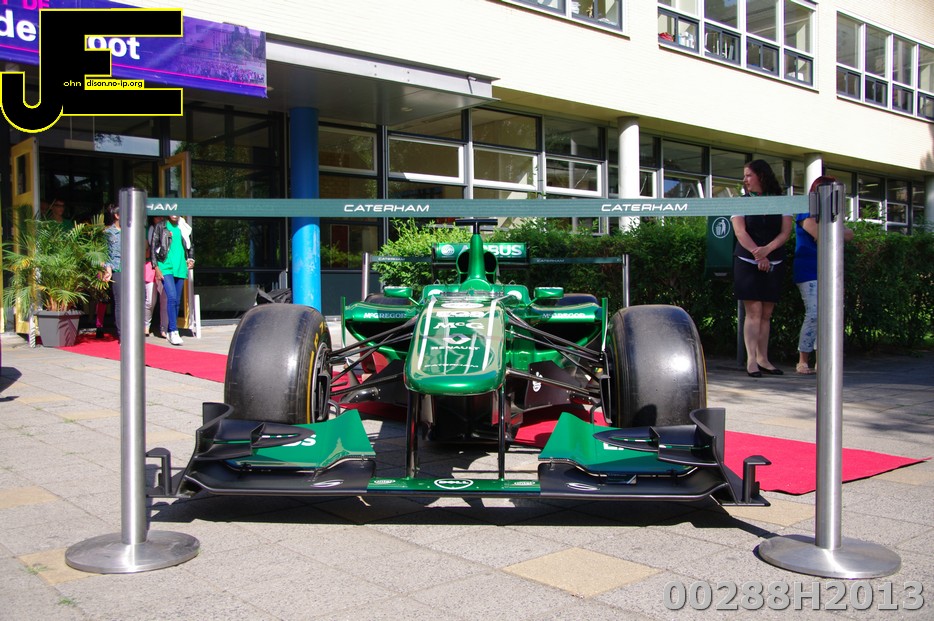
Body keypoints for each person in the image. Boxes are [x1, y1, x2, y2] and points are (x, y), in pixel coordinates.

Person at [731, 160, 793, 378]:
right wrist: (758, 254)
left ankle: (763, 358)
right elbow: (740, 232)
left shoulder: (781, 201)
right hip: (747, 261)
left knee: (766, 313)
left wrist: (767, 250)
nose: (745, 180)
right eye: (744, 175)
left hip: (774, 260)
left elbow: (785, 232)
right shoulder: (741, 202)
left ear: (761, 175)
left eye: (749, 175)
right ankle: (751, 361)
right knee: (754, 311)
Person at [793, 176, 854, 374]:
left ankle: (823, 361)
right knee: (814, 313)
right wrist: (834, 231)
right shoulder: (806, 210)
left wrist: (832, 231)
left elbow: (849, 234)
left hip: (830, 270)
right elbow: (821, 234)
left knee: (829, 314)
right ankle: (803, 360)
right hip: (809, 270)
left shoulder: (831, 214)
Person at [151, 214, 194, 346]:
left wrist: (191, 259)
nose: (174, 214)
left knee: (177, 301)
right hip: (165, 265)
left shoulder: (184, 227)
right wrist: (156, 267)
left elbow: (190, 245)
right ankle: (174, 331)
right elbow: (153, 247)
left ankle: (171, 330)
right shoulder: (161, 226)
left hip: (180, 266)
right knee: (172, 297)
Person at [100, 204, 122, 340]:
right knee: (120, 301)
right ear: (117, 216)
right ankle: (122, 333)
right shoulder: (108, 232)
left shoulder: (132, 231)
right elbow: (104, 253)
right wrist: (107, 268)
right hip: (117, 268)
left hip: (132, 270)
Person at [145, 217, 167, 337]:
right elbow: (148, 249)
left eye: (162, 216)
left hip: (165, 266)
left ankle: (164, 328)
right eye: (157, 216)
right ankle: (146, 325)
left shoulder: (168, 229)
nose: (160, 218)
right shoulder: (150, 230)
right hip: (151, 266)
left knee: (165, 300)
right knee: (150, 300)